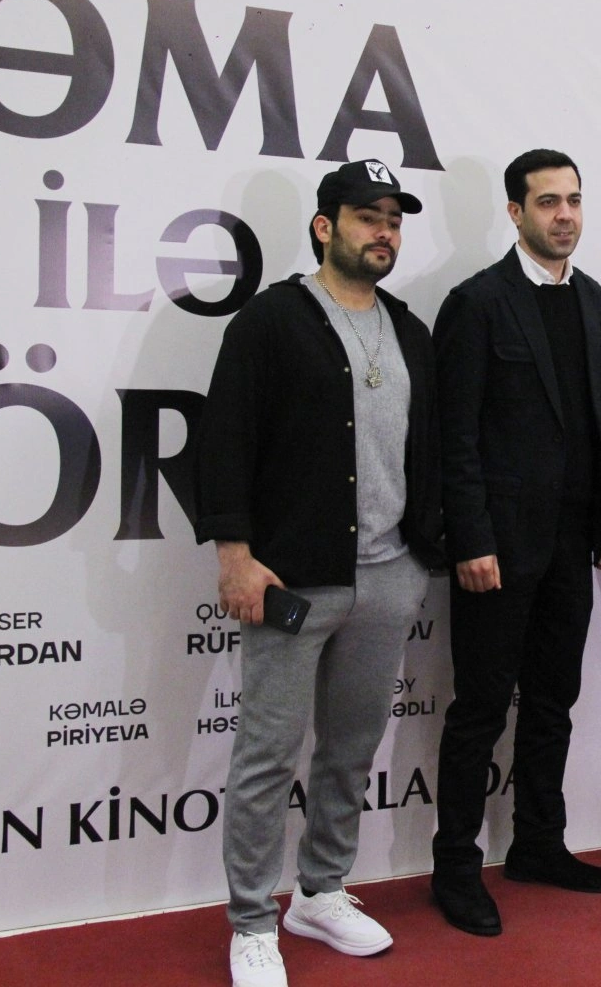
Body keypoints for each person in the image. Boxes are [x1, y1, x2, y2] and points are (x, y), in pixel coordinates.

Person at [194, 159, 445, 987]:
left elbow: (428, 449)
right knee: (268, 753)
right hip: (293, 582)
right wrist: (234, 554)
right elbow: (224, 440)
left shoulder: (408, 329)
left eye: (394, 220)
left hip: (389, 575)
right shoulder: (271, 322)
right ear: (324, 226)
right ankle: (250, 921)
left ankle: (321, 891)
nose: (384, 232)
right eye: (368, 216)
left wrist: (422, 553)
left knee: (351, 746)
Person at [430, 149, 601, 936]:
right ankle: (455, 867)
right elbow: (454, 434)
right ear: (515, 212)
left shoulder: (594, 301)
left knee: (553, 702)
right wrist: (470, 537)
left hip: (572, 545)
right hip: (497, 549)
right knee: (480, 709)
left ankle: (538, 845)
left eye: (574, 199)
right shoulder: (477, 303)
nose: (565, 215)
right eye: (548, 201)